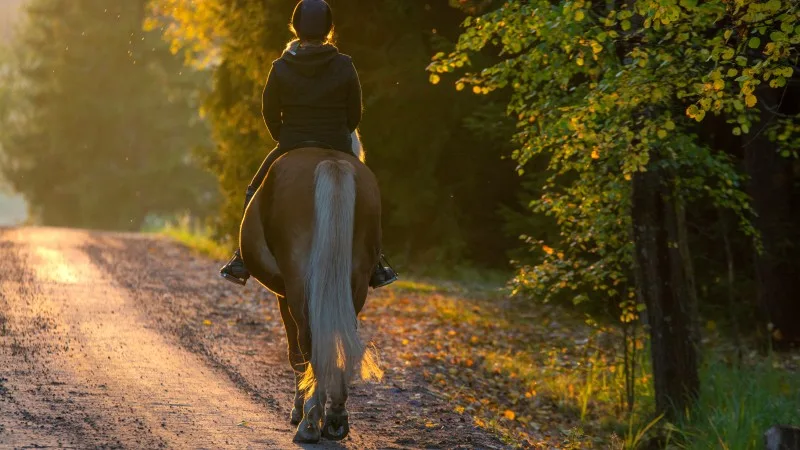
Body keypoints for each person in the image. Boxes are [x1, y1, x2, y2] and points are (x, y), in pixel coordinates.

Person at [219, 0, 398, 289]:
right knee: (369, 192)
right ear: (329, 29)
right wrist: (339, 135)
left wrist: (284, 137)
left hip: (291, 143)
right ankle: (376, 263)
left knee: (254, 190)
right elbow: (355, 112)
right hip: (337, 143)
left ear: (296, 28)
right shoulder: (345, 65)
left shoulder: (281, 67)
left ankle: (241, 258)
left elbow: (268, 110)